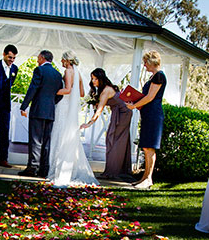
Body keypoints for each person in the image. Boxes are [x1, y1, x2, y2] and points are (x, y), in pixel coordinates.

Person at [47, 51, 97, 187]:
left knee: (59, 133)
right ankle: (69, 166)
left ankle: (57, 168)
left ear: (67, 60)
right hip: (71, 107)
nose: (61, 61)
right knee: (67, 135)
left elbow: (68, 89)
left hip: (63, 105)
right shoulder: (78, 73)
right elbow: (81, 93)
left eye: (63, 59)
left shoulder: (69, 71)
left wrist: (51, 91)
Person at [124, 50, 167, 190]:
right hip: (148, 113)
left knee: (150, 148)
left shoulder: (159, 76)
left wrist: (134, 105)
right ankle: (144, 177)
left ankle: (148, 179)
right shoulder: (153, 77)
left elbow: (150, 97)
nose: (144, 65)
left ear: (151, 62)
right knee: (145, 146)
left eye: (145, 62)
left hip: (154, 114)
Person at [80, 68, 134, 181]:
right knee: (114, 139)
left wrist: (89, 123)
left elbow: (99, 110)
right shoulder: (104, 90)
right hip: (118, 112)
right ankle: (117, 170)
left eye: (95, 78)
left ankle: (113, 172)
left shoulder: (105, 91)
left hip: (123, 113)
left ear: (101, 78)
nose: (93, 81)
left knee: (114, 139)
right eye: (92, 79)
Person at [19, 50, 63, 177]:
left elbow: (33, 88)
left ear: (42, 58)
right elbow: (59, 93)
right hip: (50, 111)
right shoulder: (57, 74)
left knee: (35, 140)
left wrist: (24, 106)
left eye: (38, 58)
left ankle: (32, 168)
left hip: (38, 109)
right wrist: (51, 103)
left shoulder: (39, 71)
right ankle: (44, 169)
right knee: (46, 141)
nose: (37, 60)